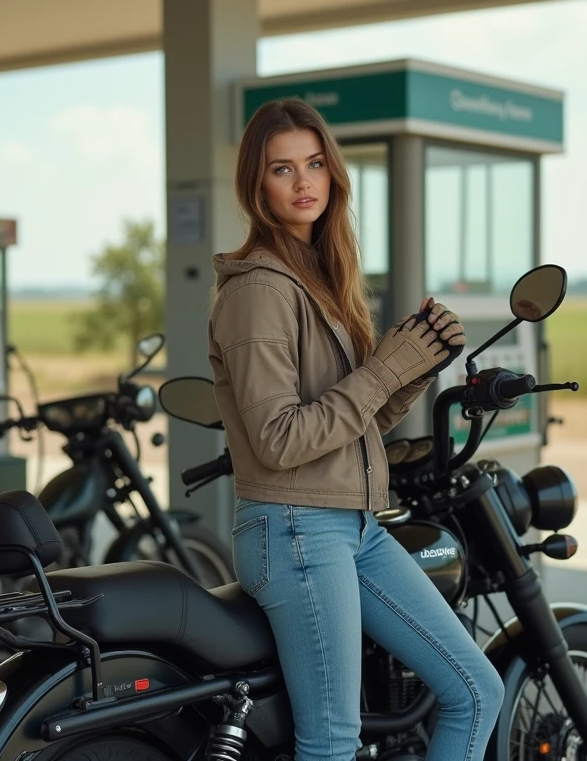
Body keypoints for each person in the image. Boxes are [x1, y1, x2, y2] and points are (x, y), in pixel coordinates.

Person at [206, 97, 505, 761]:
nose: (303, 182)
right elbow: (280, 441)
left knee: (476, 690)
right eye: (282, 169)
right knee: (333, 742)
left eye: (314, 163)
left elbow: (350, 421)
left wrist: (415, 368)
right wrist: (388, 365)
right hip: (295, 528)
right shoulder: (259, 290)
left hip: (355, 526)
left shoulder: (317, 278)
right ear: (256, 184)